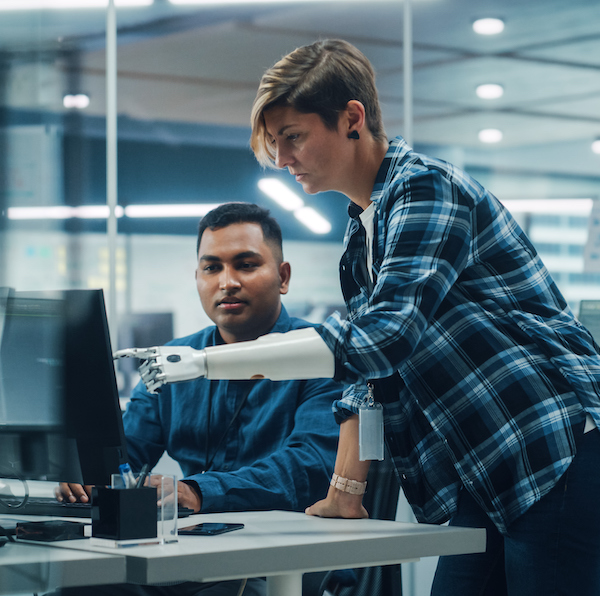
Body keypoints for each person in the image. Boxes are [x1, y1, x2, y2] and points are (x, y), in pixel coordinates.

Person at [114, 39, 600, 595]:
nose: (281, 158)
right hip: (485, 460)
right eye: (275, 143)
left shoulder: (426, 188)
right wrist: (346, 490)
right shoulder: (363, 232)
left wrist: (204, 363)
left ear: (351, 118)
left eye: (292, 137)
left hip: (553, 443)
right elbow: (369, 376)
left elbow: (384, 337)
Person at [56, 202, 342, 596]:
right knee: (81, 586)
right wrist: (84, 471)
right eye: (212, 268)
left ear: (283, 276)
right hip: (181, 553)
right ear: (197, 278)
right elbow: (125, 453)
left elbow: (308, 467)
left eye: (246, 264)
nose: (227, 282)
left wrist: (197, 491)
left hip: (273, 560)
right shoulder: (173, 362)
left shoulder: (322, 355)